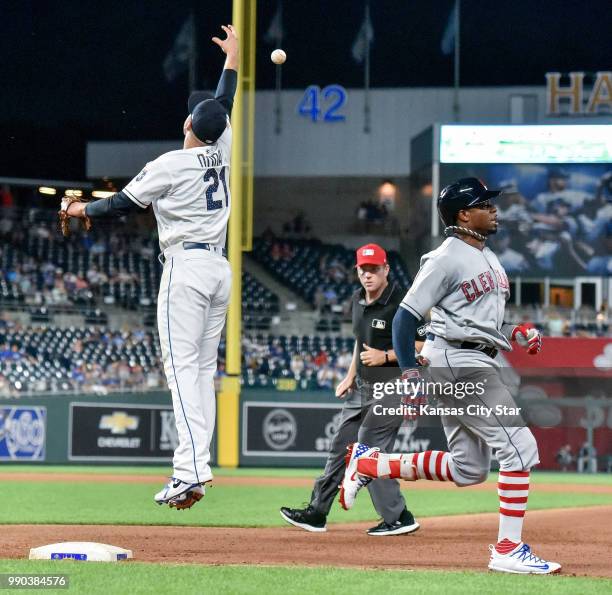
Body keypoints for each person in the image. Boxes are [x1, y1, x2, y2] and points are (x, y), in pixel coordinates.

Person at [339, 178, 561, 574]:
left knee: (468, 469)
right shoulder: (445, 257)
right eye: (484, 204)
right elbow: (406, 316)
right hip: (459, 365)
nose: (493, 209)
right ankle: (508, 548)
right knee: (521, 448)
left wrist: (514, 332)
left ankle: (373, 464)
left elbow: (474, 322)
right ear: (463, 214)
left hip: (472, 357)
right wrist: (408, 370)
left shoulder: (488, 257)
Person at [59, 25, 239, 510]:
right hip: (219, 269)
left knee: (182, 371)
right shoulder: (221, 152)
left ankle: (189, 472)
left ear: (188, 124)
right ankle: (198, 468)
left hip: (186, 268)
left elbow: (120, 203)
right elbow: (225, 103)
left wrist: (79, 211)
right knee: (201, 373)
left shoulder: (170, 164)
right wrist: (234, 60)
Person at [280, 243, 421, 536]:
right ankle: (317, 513)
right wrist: (349, 375)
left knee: (370, 453)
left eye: (374, 269)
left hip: (393, 387)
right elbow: (360, 341)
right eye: (363, 269)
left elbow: (423, 346)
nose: (368, 275)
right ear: (357, 271)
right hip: (361, 388)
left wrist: (385, 357)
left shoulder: (403, 304)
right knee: (339, 447)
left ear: (386, 270)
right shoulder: (357, 299)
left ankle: (398, 517)